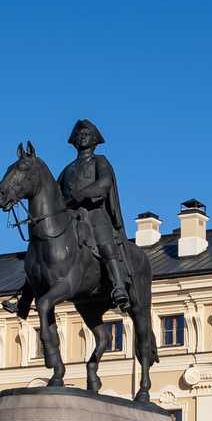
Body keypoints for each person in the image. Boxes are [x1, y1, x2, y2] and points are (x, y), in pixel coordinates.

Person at [59, 119, 133, 313]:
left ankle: (118, 286)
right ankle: (26, 295)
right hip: (71, 215)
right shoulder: (67, 169)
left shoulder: (100, 161)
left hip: (94, 211)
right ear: (74, 141)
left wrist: (82, 193)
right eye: (79, 134)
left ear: (94, 140)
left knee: (105, 242)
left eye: (86, 133)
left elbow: (104, 182)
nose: (82, 136)